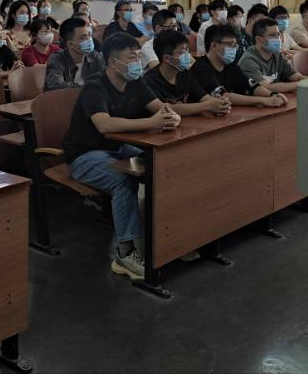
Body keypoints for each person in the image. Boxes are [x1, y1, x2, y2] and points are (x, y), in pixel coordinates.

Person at [63, 33, 181, 281]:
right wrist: (150, 123)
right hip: (85, 154)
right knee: (123, 180)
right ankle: (124, 254)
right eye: (132, 58)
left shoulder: (135, 81)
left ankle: (172, 237)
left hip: (120, 148)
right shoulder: (94, 87)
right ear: (112, 62)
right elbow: (104, 125)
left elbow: (159, 107)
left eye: (138, 56)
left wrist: (171, 115)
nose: (138, 62)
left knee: (167, 164)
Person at [191, 24, 285, 107]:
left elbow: (252, 86)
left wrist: (272, 95)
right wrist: (264, 101)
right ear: (214, 46)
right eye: (229, 44)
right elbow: (224, 95)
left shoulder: (231, 66)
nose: (234, 49)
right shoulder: (201, 67)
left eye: (235, 45)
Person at [144, 29, 232, 116]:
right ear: (167, 58)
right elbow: (167, 109)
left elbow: (204, 97)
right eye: (182, 52)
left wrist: (220, 103)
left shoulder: (185, 74)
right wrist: (208, 106)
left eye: (187, 50)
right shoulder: (149, 82)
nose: (187, 55)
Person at [240, 17, 308, 93]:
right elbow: (265, 87)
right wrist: (300, 84)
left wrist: (306, 79)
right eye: (272, 35)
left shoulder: (277, 54)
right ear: (258, 39)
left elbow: (294, 76)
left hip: (276, 97)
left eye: (278, 34)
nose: (277, 38)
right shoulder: (248, 60)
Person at [45, 17, 106, 90]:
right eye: (83, 37)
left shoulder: (95, 56)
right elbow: (56, 85)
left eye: (89, 35)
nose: (89, 40)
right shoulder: (57, 58)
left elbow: (106, 81)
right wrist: (88, 89)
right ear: (70, 44)